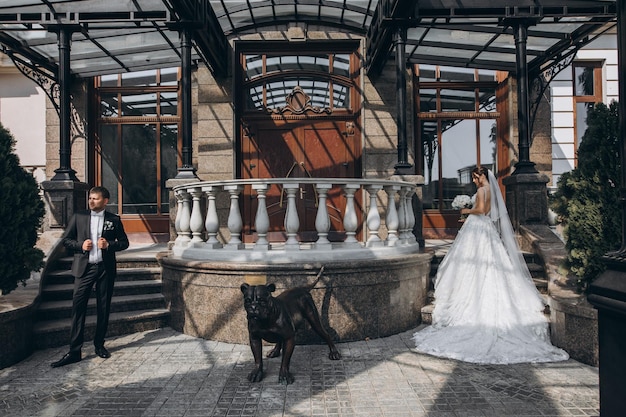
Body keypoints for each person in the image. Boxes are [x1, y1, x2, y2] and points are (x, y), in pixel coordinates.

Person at [412, 167, 569, 364]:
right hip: (484, 227)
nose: (474, 180)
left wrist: (466, 209)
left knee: (472, 261)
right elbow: (488, 212)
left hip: (477, 226)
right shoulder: (491, 190)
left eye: (475, 177)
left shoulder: (481, 191)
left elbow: (480, 211)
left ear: (482, 176)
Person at [51, 186, 129, 367]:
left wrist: (109, 244)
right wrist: (80, 245)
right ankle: (74, 351)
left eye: (95, 198)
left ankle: (99, 345)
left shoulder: (113, 220)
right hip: (83, 269)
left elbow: (124, 243)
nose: (91, 201)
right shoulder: (79, 217)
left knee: (103, 308)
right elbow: (66, 239)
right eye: (90, 198)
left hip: (105, 269)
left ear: (105, 201)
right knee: (78, 308)